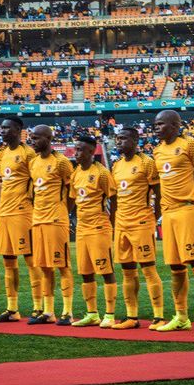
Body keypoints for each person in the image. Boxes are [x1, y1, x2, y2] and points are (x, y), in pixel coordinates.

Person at [152, 110, 194, 333]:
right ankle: (181, 317)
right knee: (175, 268)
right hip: (168, 214)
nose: (156, 127)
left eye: (160, 124)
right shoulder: (157, 151)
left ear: (175, 125)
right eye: (155, 124)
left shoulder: (191, 145)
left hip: (188, 210)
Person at [109, 127, 165, 330]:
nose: (119, 142)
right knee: (127, 271)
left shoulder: (146, 163)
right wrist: (115, 221)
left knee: (148, 269)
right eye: (117, 139)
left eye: (123, 138)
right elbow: (114, 197)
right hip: (122, 223)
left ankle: (158, 316)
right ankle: (131, 317)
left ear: (135, 141)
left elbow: (159, 193)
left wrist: (154, 216)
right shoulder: (116, 166)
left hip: (141, 222)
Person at [0, 117, 42, 322]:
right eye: (1, 127)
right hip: (4, 213)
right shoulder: (1, 155)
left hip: (23, 212)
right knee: (8, 263)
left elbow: (38, 183)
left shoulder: (28, 153)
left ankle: (39, 308)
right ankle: (12, 309)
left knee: (31, 260)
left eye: (6, 127)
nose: (2, 131)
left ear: (18, 130)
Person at [27, 125, 75, 326]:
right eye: (31, 138)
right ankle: (48, 311)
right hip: (38, 220)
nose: (33, 141)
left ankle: (67, 311)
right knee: (45, 267)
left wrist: (63, 211)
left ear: (48, 138)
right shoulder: (34, 162)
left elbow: (72, 192)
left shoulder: (62, 162)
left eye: (37, 138)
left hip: (56, 220)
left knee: (62, 266)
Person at [69, 136, 118, 328]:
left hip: (99, 227)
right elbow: (73, 200)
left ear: (91, 152)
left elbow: (114, 200)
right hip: (82, 228)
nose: (76, 153)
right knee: (85, 272)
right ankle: (92, 313)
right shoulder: (75, 174)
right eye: (75, 149)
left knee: (106, 271)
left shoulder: (102, 174)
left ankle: (110, 314)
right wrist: (71, 218)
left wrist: (112, 224)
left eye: (80, 150)